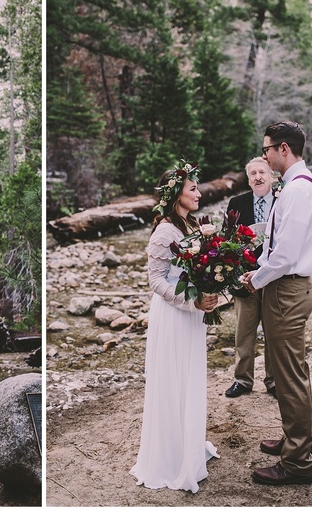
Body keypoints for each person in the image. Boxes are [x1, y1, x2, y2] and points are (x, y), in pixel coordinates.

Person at [241, 120, 312, 486]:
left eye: (267, 149)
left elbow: (286, 255)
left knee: (290, 375)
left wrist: (257, 279)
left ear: (284, 150)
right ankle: (295, 440)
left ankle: (297, 463)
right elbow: (276, 247)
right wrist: (257, 270)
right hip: (285, 287)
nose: (264, 155)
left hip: (286, 291)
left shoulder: (296, 191)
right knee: (289, 368)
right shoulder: (294, 187)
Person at [130, 161, 220, 493]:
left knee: (190, 379)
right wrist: (190, 302)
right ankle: (169, 458)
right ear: (176, 193)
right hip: (173, 315)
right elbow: (155, 280)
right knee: (172, 381)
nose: (199, 192)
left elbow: (201, 269)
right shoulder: (165, 230)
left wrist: (210, 291)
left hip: (192, 314)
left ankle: (189, 447)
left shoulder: (192, 224)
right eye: (193, 188)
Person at [223, 157, 276, 399]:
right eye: (253, 173)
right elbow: (225, 241)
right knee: (244, 333)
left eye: (262, 172)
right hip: (244, 278)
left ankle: (274, 381)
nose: (258, 177)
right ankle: (242, 380)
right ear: (248, 178)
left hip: (275, 277)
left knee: (274, 332)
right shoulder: (237, 202)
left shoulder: (282, 201)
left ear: (271, 176)